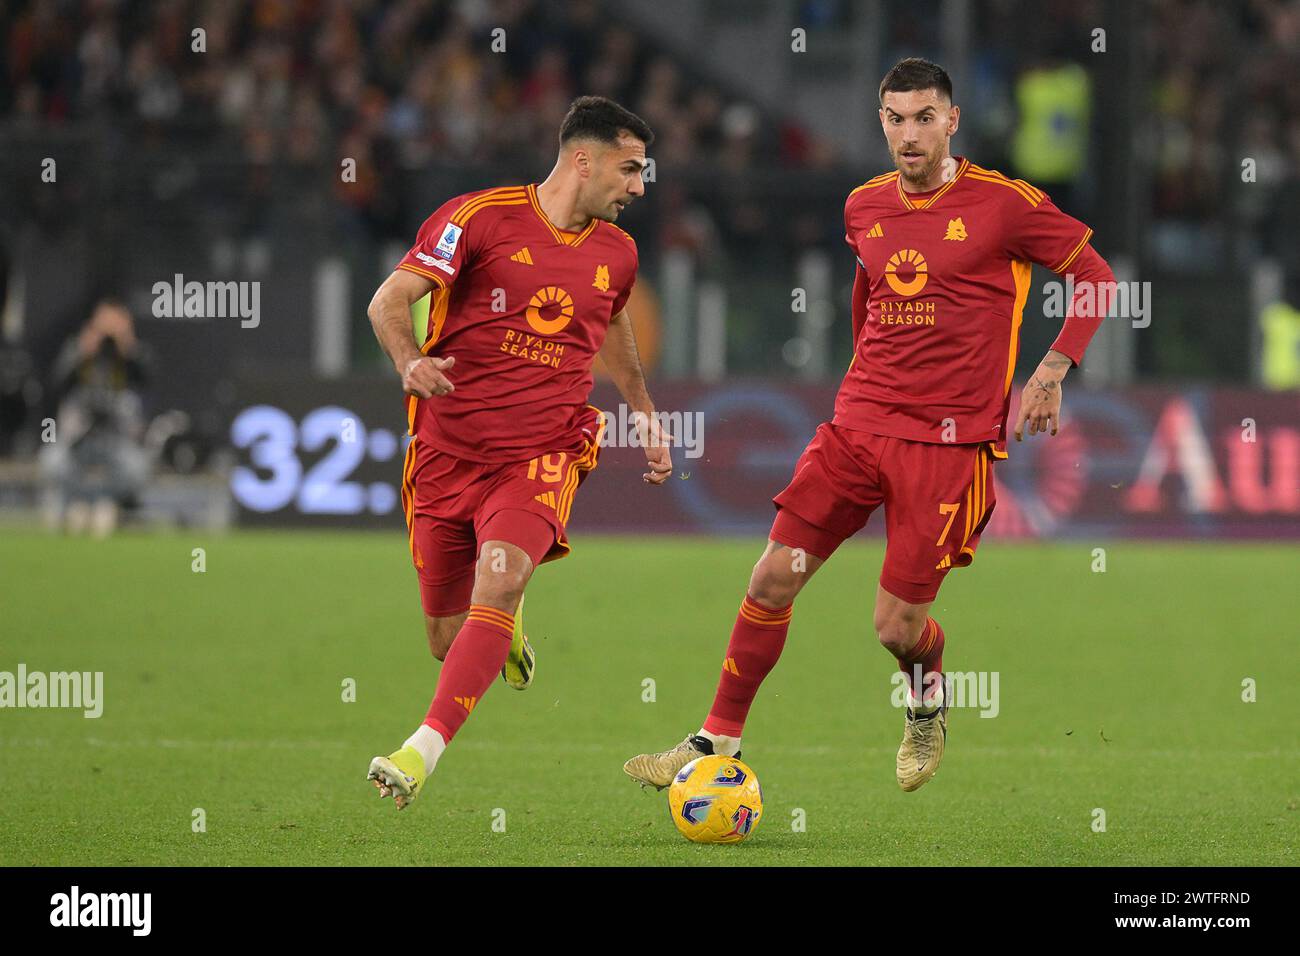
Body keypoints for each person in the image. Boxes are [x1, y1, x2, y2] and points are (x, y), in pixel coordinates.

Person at [624, 58, 1115, 793]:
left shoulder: (1006, 205)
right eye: (895, 119)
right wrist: (862, 383)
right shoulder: (862, 206)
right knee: (771, 577)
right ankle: (714, 741)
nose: (909, 134)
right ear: (880, 121)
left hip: (948, 446)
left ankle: (925, 702)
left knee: (896, 628)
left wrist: (1050, 371)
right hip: (858, 427)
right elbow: (866, 296)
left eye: (924, 118)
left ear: (952, 121)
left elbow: (1097, 277)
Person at [365, 96, 671, 809]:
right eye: (630, 169)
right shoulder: (476, 218)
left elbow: (612, 323)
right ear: (582, 160)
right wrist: (410, 361)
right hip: (446, 453)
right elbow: (387, 301)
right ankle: (506, 629)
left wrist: (646, 414)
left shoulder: (618, 254)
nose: (638, 187)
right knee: (450, 640)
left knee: (497, 582)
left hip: (544, 451)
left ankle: (419, 751)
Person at [41, 298, 153, 536]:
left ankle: (104, 503)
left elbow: (147, 382)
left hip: (117, 440)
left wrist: (127, 347)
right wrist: (84, 350)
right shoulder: (79, 349)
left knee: (137, 468)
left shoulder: (131, 354)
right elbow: (56, 384)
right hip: (78, 438)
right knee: (50, 462)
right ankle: (79, 504)